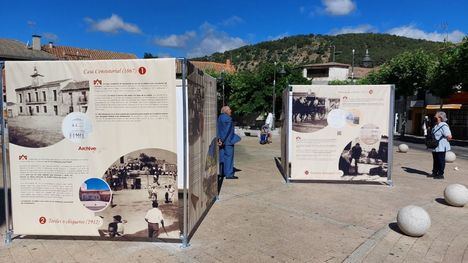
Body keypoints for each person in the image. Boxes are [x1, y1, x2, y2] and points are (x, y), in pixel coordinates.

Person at [217, 106, 241, 179]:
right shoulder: (228, 118)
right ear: (225, 111)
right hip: (227, 141)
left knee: (222, 157)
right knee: (229, 158)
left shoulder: (219, 117)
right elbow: (226, 131)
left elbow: (218, 129)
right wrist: (222, 140)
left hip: (221, 140)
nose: (231, 110)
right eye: (229, 109)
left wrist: (219, 139)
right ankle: (229, 174)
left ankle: (222, 172)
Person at [431, 111, 452, 179]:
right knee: (436, 160)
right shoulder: (436, 125)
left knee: (441, 160)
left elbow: (449, 136)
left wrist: (444, 140)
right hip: (435, 146)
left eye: (435, 116)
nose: (434, 116)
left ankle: (440, 174)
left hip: (441, 147)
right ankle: (434, 172)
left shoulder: (444, 125)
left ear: (440, 117)